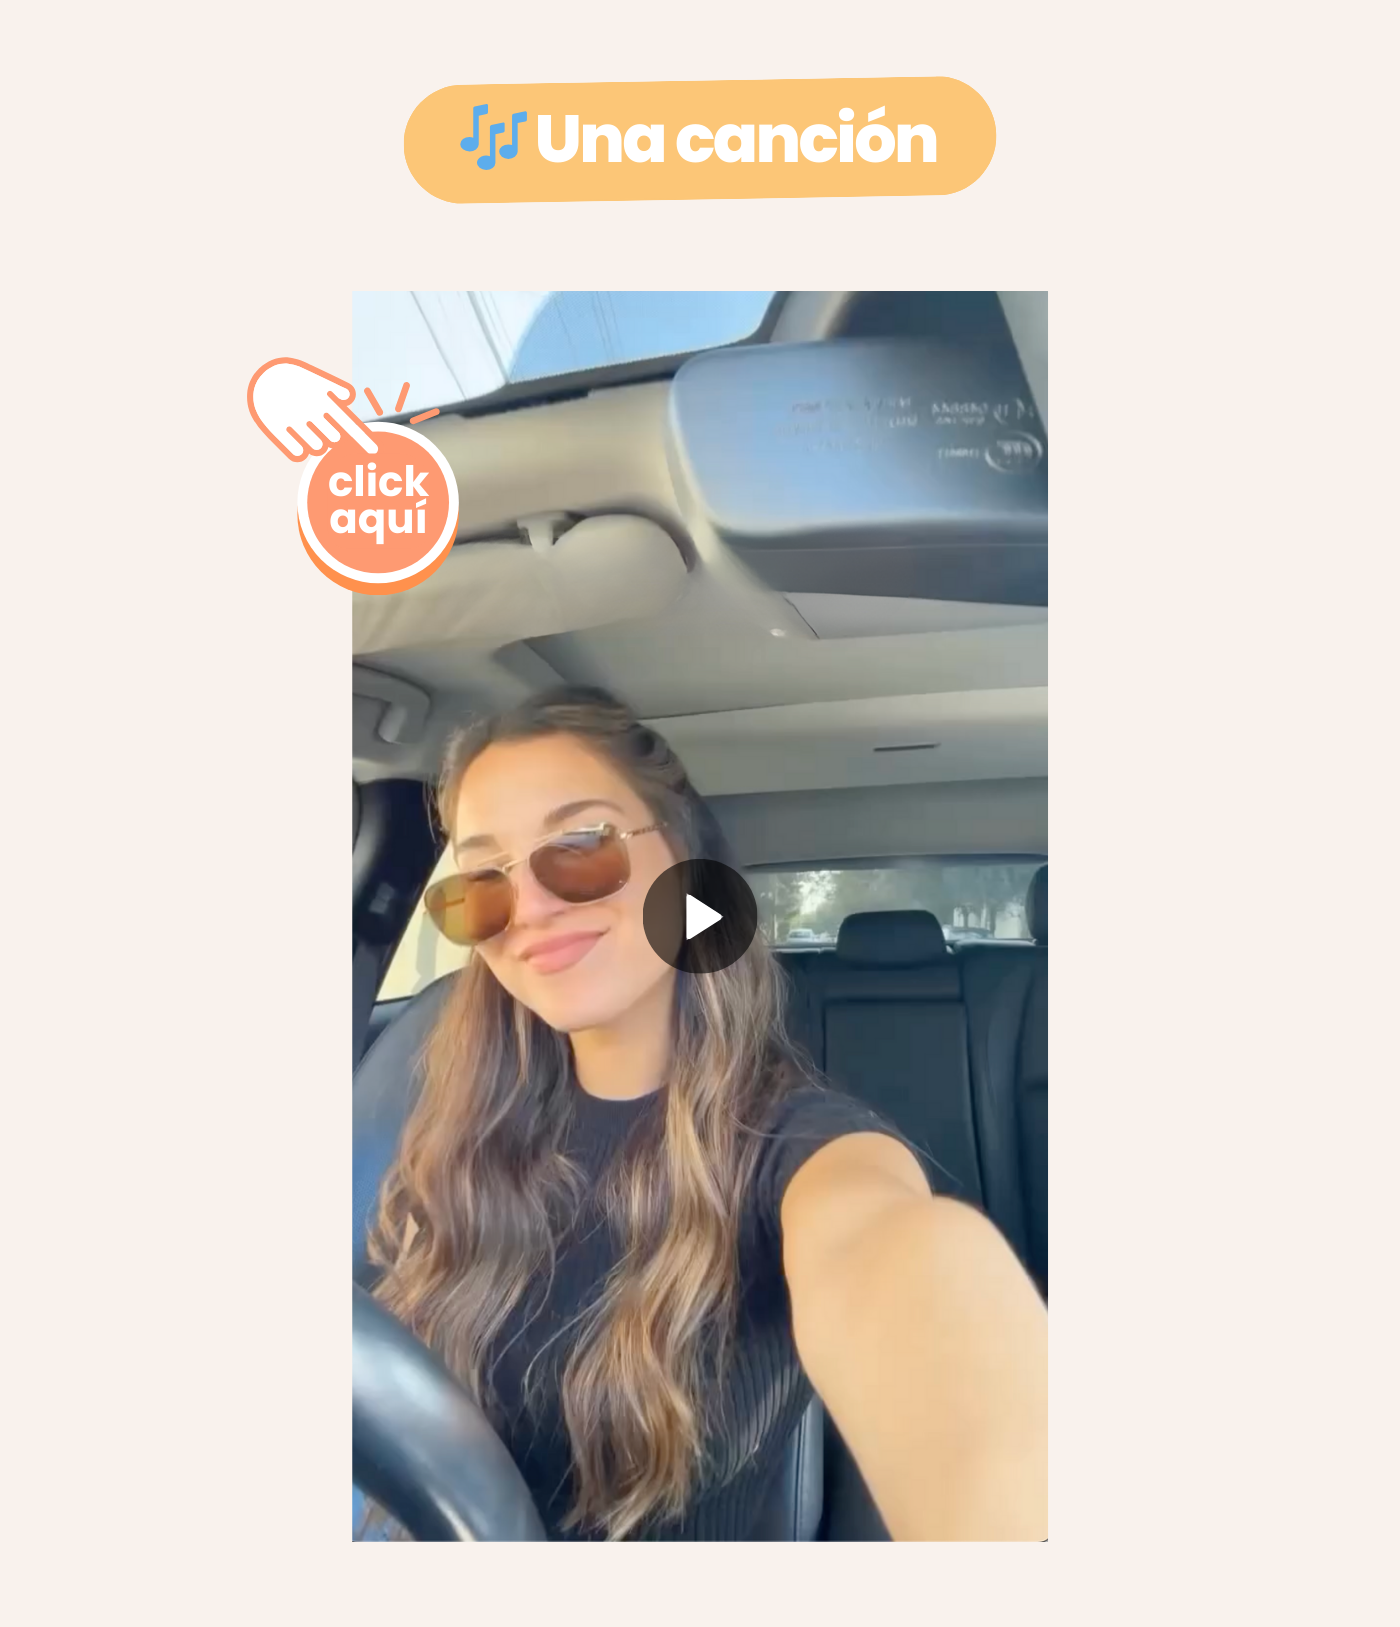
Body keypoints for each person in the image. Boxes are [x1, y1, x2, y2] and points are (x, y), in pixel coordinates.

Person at [364, 686, 1047, 1541]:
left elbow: (895, 1252)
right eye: (482, 878)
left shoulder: (792, 1146)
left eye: (580, 844)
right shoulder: (454, 1118)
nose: (528, 907)